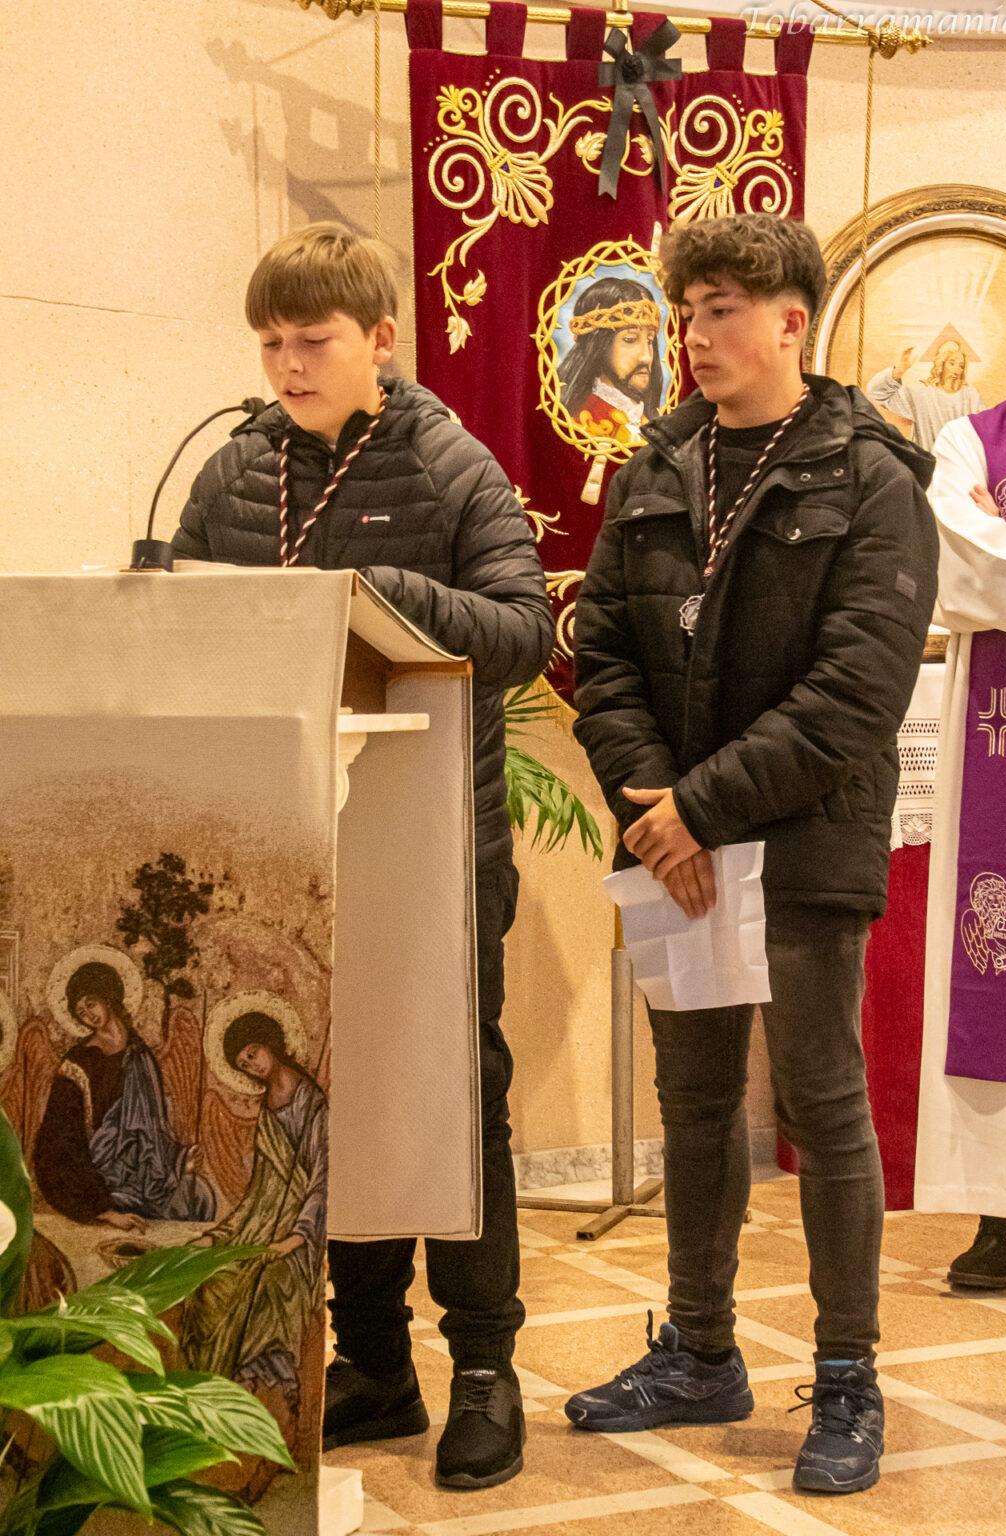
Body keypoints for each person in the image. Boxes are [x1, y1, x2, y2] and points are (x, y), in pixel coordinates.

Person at [172, 223, 554, 1491]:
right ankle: (377, 1363)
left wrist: (384, 595)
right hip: (284, 845)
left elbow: (522, 630)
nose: (288, 365)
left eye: (313, 341)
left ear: (381, 340)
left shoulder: (449, 467)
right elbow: (184, 626)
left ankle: (485, 1369)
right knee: (333, 1099)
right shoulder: (234, 469)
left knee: (452, 1097)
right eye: (270, 344)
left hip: (433, 848)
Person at [570, 212, 938, 1495]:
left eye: (722, 308)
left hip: (801, 838)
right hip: (671, 838)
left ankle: (845, 1378)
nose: (694, 332)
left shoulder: (871, 477)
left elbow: (856, 690)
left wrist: (700, 809)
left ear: (791, 321)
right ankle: (699, 1350)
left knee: (821, 1103)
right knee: (692, 1099)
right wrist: (652, 803)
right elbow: (602, 648)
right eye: (688, 310)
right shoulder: (654, 467)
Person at [913, 387, 1006, 1289]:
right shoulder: (972, 442)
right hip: (1004, 730)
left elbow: (997, 564)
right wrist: (988, 547)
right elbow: (960, 564)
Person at [182, 1012, 326, 1426]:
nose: (251, 1065)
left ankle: (267, 1387)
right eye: (243, 1063)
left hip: (301, 1233)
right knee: (212, 1280)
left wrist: (294, 1239)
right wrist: (219, 1235)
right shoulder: (267, 1109)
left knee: (269, 1282)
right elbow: (259, 1192)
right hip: (262, 1225)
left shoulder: (313, 1103)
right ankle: (211, 1394)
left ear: (271, 1044)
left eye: (253, 1053)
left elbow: (322, 1180)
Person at [34, 960, 214, 1226]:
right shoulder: (78, 1063)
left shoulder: (140, 1054)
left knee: (199, 1195)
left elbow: (153, 1128)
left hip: (145, 1173)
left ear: (108, 998)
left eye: (91, 1004)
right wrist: (103, 1209)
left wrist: (179, 1160)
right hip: (101, 1179)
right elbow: (59, 1142)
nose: (88, 1015)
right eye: (81, 1011)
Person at [558, 276, 664, 444]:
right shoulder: (579, 426)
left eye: (650, 341)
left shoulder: (647, 421)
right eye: (630, 340)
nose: (646, 356)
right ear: (599, 346)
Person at [867, 339, 984, 452]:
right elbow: (876, 392)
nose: (957, 370)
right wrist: (899, 370)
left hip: (961, 462)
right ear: (941, 364)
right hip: (928, 462)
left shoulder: (970, 395)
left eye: (961, 366)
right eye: (952, 363)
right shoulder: (920, 393)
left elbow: (986, 427)